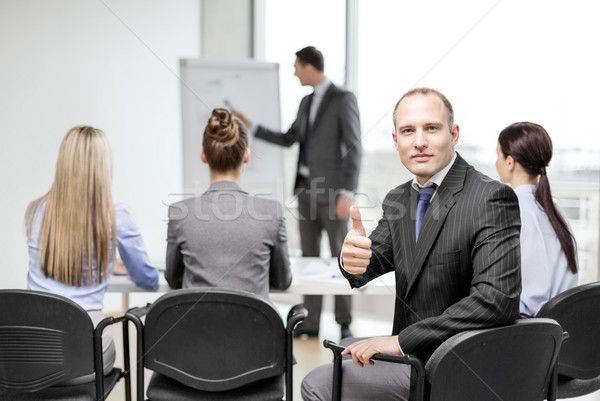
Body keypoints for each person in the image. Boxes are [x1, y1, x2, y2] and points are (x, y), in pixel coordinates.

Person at [301, 88, 522, 400]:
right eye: (408, 131)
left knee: (317, 383)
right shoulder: (398, 199)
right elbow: (367, 263)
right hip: (413, 360)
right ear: (396, 141)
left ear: (454, 134)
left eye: (431, 128)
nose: (419, 141)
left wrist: (400, 341)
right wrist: (349, 258)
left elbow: (496, 300)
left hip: (459, 365)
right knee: (345, 354)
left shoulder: (489, 197)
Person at [234, 46, 361, 338]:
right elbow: (290, 138)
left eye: (296, 67)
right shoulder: (305, 102)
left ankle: (344, 323)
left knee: (341, 257)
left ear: (308, 66)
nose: (294, 73)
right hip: (304, 191)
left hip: (331, 193)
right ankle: (312, 322)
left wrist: (347, 192)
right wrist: (252, 127)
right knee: (309, 258)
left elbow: (354, 147)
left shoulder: (343, 99)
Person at [26, 126, 159, 380]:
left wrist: (107, 264)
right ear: (103, 166)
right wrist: (118, 266)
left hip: (32, 353)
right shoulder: (116, 215)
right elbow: (147, 279)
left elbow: (61, 257)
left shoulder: (35, 211)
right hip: (85, 353)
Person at [165, 108, 292, 300]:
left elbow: (173, 280)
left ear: (203, 155)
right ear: (246, 156)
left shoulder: (179, 213)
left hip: (194, 327)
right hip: (255, 329)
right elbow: (282, 281)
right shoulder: (271, 212)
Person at [496, 122, 578, 316]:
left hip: (531, 333)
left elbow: (532, 301)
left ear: (510, 162)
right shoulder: (556, 210)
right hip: (558, 330)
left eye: (497, 154)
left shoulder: (517, 209)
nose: (495, 162)